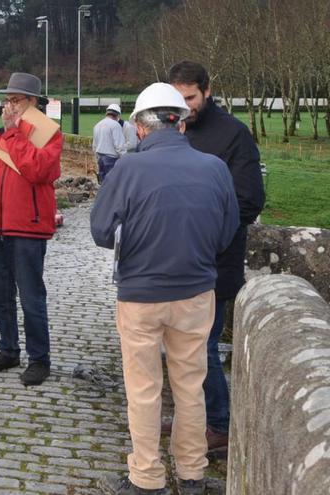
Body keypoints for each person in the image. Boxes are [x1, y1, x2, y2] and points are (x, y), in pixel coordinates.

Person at [91, 82, 239, 495]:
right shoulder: (215, 168)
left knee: (144, 389)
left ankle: (147, 477)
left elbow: (101, 231)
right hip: (195, 293)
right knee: (191, 386)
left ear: (140, 127)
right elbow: (226, 233)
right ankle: (193, 474)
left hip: (140, 294)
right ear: (181, 124)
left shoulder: (128, 169)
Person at [167, 61, 265, 453]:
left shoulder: (234, 136)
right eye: (178, 99)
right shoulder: (172, 130)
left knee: (202, 347)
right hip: (172, 261)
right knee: (179, 347)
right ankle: (192, 419)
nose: (184, 107)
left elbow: (249, 201)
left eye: (190, 97)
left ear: (207, 91)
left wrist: (201, 232)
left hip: (214, 263)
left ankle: (220, 426)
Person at [0, 72, 63, 386]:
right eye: (8, 100)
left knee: (31, 297)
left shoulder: (47, 133)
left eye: (16, 100)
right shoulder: (4, 135)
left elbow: (38, 170)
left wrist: (15, 135)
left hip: (27, 228)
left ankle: (39, 359)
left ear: (34, 102)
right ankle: (8, 349)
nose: (10, 106)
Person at [92, 103, 127, 183]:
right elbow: (119, 145)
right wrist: (125, 158)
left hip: (100, 158)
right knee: (113, 184)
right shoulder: (115, 125)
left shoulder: (97, 125)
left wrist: (97, 158)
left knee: (103, 184)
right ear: (117, 115)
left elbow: (94, 145)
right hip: (112, 159)